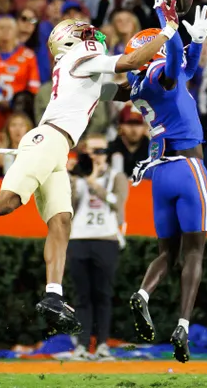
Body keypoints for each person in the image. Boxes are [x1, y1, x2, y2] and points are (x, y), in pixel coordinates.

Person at [0, 0, 181, 338]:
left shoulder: (82, 65)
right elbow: (130, 60)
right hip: (46, 139)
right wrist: (168, 30)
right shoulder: (80, 57)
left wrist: (168, 69)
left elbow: (130, 88)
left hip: (57, 147)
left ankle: (53, 295)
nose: (92, 34)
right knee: (6, 202)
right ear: (70, 39)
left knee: (62, 221)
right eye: (84, 32)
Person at [124, 2, 207, 364]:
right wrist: (167, 17)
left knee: (167, 253)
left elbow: (187, 66)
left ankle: (144, 295)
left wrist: (196, 43)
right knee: (194, 252)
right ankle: (182, 325)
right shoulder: (158, 72)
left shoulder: (136, 86)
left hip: (160, 174)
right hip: (188, 167)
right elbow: (175, 59)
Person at [67, 133, 128, 361]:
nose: (97, 156)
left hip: (106, 240)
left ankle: (102, 344)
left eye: (101, 151)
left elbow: (118, 206)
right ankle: (82, 345)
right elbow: (68, 206)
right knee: (82, 296)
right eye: (92, 152)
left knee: (103, 295)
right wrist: (73, 178)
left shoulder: (116, 177)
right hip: (79, 239)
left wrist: (93, 182)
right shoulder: (77, 177)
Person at [107, 106, 149, 177]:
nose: (134, 129)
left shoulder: (153, 150)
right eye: (129, 123)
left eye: (138, 124)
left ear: (145, 127)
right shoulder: (110, 149)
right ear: (120, 126)